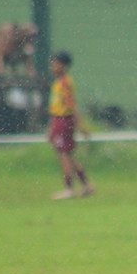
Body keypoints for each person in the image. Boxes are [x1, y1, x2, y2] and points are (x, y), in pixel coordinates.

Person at [47, 51, 94, 200]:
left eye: (56, 64)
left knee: (64, 155)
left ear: (64, 66)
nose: (53, 67)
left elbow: (71, 105)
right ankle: (86, 185)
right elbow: (55, 107)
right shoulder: (58, 83)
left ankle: (69, 188)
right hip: (58, 121)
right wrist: (51, 128)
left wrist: (81, 125)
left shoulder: (65, 83)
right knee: (68, 155)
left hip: (64, 121)